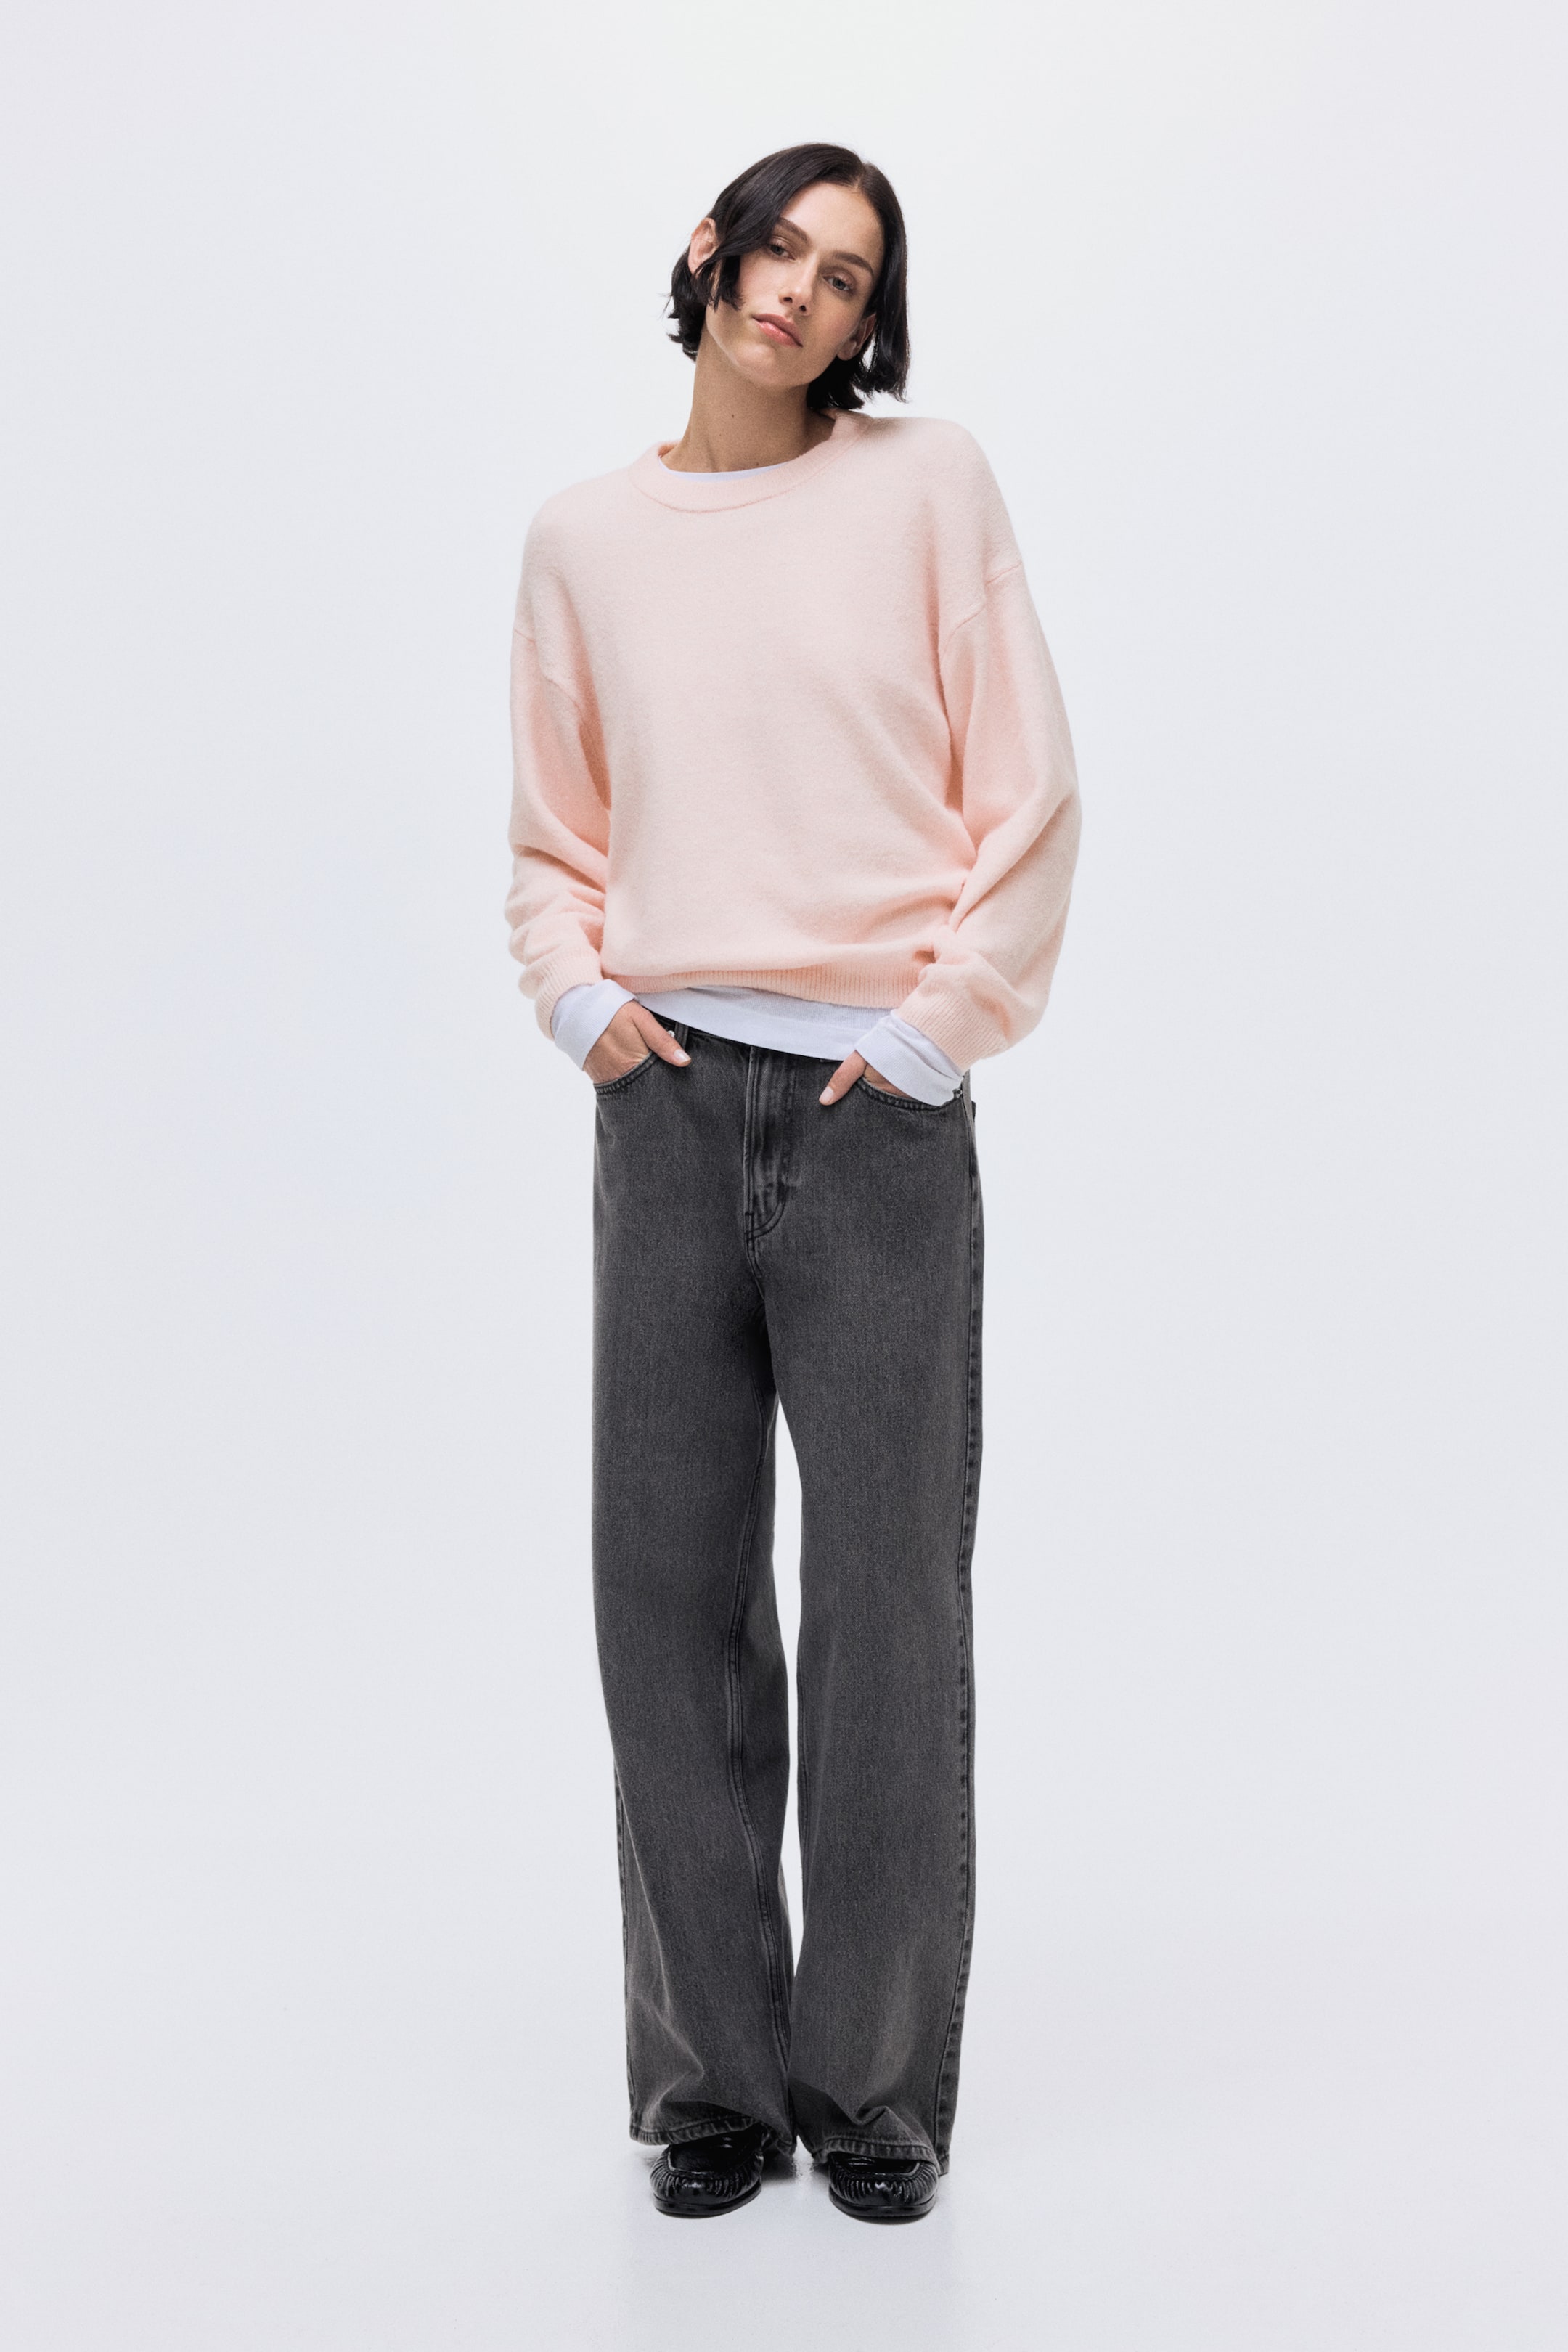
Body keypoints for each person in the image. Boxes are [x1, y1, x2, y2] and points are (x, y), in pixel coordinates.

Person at [505, 142, 1080, 2224]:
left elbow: (1031, 790)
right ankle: (711, 2089)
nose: (804, 295)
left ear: (866, 320)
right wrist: (578, 998)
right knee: (666, 1596)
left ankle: (872, 2085)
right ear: (709, 250)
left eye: (849, 279)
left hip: (872, 1111)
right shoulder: (586, 538)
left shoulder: (928, 487)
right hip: (665, 1106)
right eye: (781, 249)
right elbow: (551, 835)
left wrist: (936, 1032)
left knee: (887, 1605)